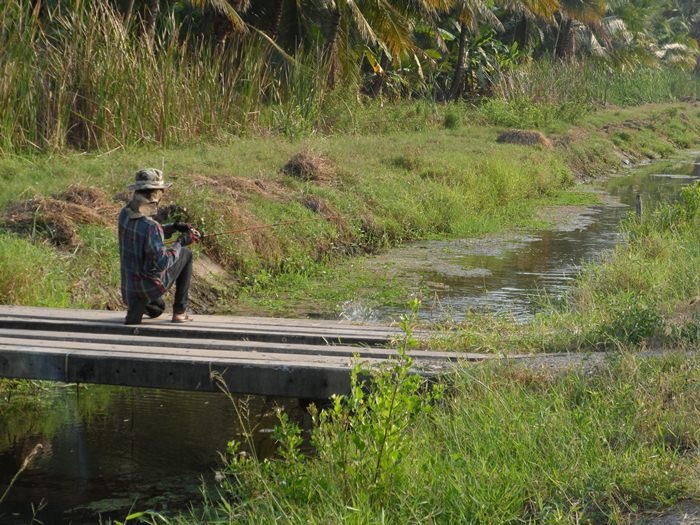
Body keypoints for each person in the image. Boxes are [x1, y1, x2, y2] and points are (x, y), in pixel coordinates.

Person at [118, 168, 200, 325]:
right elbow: (163, 262)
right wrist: (181, 241)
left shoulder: (124, 214)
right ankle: (180, 312)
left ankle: (139, 304)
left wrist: (174, 226)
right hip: (147, 287)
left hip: (129, 290)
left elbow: (146, 231)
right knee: (186, 254)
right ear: (155, 194)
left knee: (158, 308)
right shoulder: (151, 227)